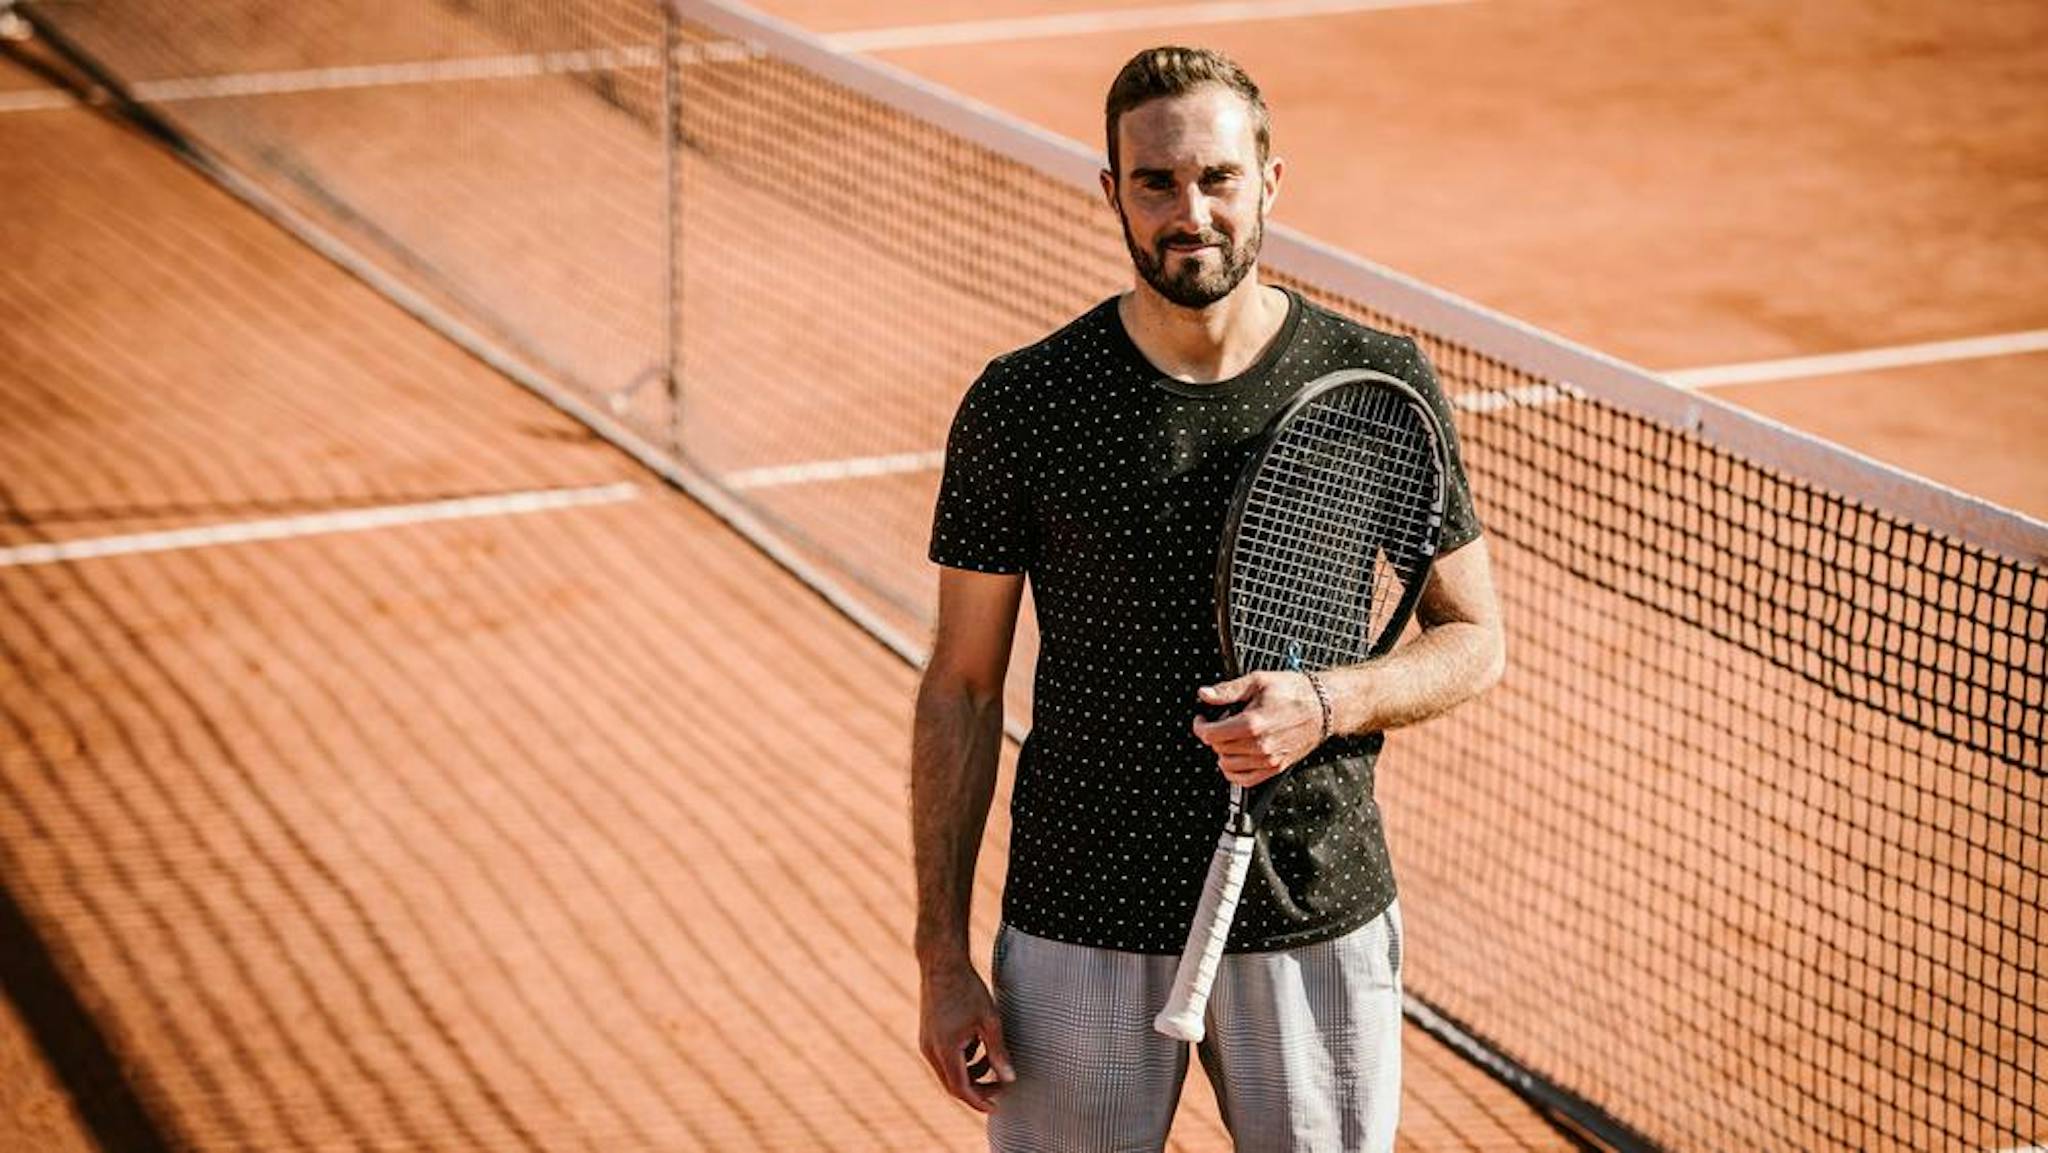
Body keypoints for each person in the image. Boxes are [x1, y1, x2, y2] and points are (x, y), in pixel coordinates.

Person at [911, 45, 1506, 1153]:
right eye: (1155, 182)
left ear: (1270, 180)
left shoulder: (1373, 384)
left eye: (1218, 178)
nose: (1190, 212)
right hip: (1076, 911)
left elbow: (1471, 639)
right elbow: (960, 683)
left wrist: (1327, 702)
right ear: (1111, 192)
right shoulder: (1025, 402)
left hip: (1307, 904)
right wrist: (941, 959)